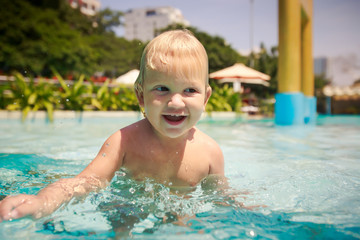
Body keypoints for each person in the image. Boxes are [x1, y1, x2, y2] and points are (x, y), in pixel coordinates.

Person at [0, 29, 224, 222]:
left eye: (190, 90)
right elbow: (86, 182)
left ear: (205, 98)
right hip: (127, 205)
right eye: (162, 88)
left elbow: (220, 196)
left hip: (179, 211)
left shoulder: (210, 153)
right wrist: (43, 201)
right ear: (140, 96)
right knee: (121, 222)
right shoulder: (123, 142)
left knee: (182, 226)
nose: (175, 102)